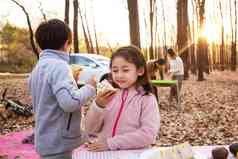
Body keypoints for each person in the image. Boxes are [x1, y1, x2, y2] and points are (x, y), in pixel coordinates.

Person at [28, 19, 97, 159]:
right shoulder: (60, 66)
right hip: (59, 142)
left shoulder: (38, 68)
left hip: (45, 139)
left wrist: (73, 84)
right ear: (67, 43)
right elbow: (69, 103)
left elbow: (49, 98)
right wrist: (90, 87)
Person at [84, 45, 160, 151]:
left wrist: (111, 143)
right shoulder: (109, 96)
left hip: (134, 154)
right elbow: (89, 130)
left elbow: (148, 134)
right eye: (115, 71)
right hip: (106, 154)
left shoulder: (147, 99)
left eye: (125, 70)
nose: (119, 75)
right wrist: (98, 106)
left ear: (140, 71)